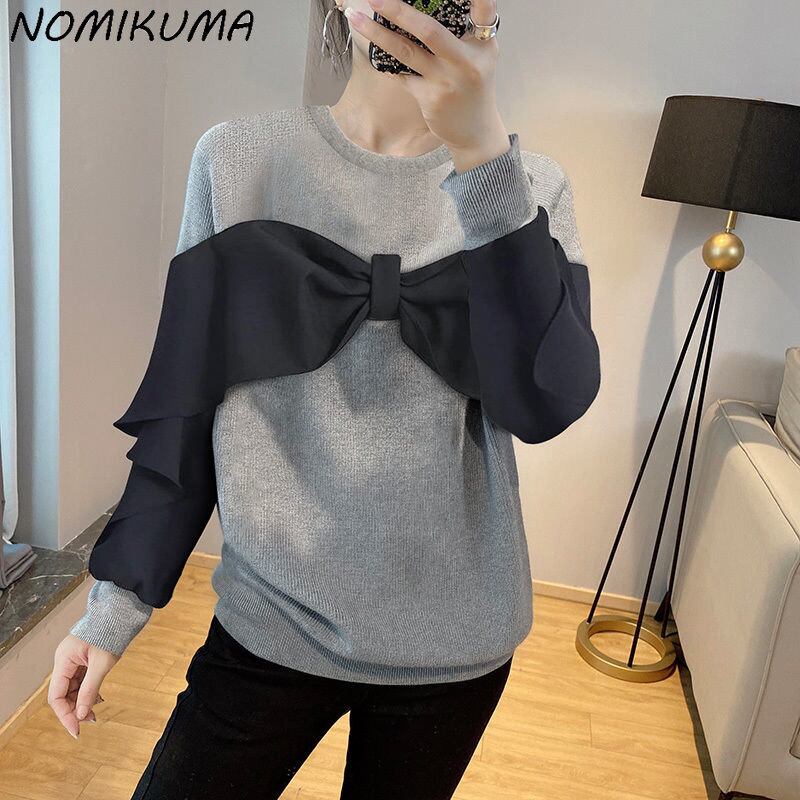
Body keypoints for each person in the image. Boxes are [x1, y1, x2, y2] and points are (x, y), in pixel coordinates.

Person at [47, 1, 599, 797]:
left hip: (455, 646)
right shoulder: (238, 161)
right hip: (268, 625)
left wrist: (483, 158)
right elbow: (184, 406)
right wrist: (114, 608)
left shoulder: (533, 189)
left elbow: (546, 403)